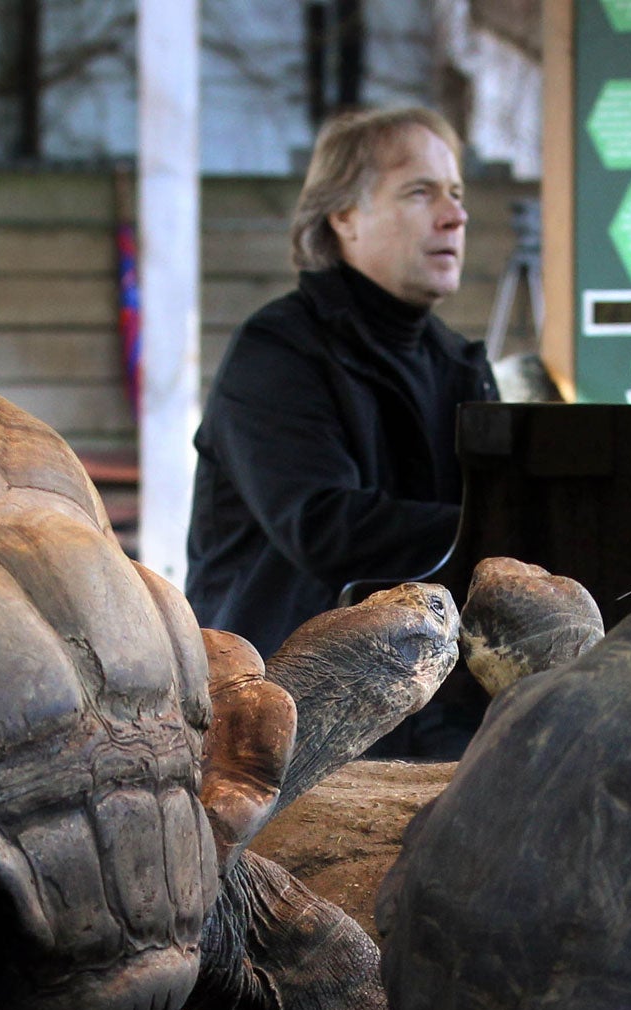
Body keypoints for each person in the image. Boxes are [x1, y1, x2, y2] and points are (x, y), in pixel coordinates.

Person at [185, 106, 495, 736]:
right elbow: (324, 526)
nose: (454, 215)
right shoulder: (278, 351)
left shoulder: (458, 362)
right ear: (344, 216)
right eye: (421, 192)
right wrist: (498, 528)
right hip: (279, 716)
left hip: (427, 703)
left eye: (457, 193)